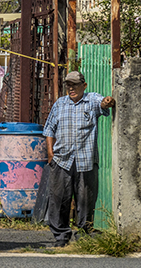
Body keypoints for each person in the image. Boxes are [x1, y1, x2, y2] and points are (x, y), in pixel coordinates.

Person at [43, 70, 116, 247]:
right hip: (61, 160)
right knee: (59, 199)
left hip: (86, 159)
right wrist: (50, 153)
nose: (71, 88)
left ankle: (84, 233)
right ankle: (61, 237)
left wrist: (108, 101)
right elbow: (49, 129)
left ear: (83, 86)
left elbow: (103, 103)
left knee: (86, 199)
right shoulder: (60, 104)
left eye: (75, 85)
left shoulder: (91, 100)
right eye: (68, 85)